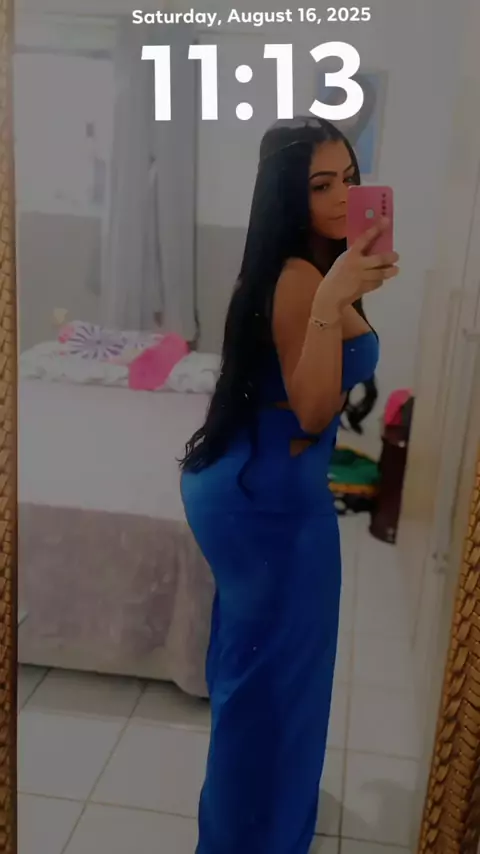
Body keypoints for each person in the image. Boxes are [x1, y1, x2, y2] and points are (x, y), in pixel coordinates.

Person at [179, 117, 399, 854]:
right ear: (287, 194)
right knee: (276, 684)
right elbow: (312, 409)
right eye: (320, 185)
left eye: (350, 179)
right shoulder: (303, 279)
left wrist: (342, 290)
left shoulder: (308, 264)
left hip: (259, 483)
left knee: (259, 670)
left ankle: (251, 825)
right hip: (267, 500)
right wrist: (334, 301)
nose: (342, 197)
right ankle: (252, 838)